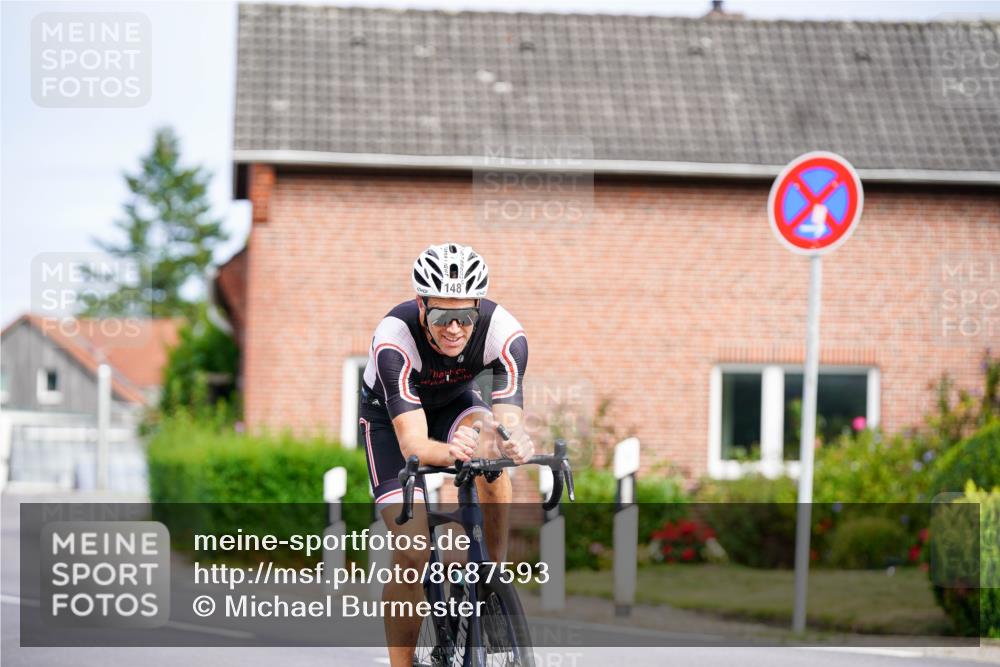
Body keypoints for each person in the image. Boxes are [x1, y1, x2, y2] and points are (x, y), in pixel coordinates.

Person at [359, 242, 534, 667]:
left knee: (492, 459)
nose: (454, 328)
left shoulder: (505, 334)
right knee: (412, 553)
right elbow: (414, 445)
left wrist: (515, 442)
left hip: (456, 403)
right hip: (391, 422)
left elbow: (507, 420)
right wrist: (449, 454)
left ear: (479, 308)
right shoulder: (394, 341)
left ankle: (491, 579)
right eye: (441, 316)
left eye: (465, 316)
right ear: (421, 307)